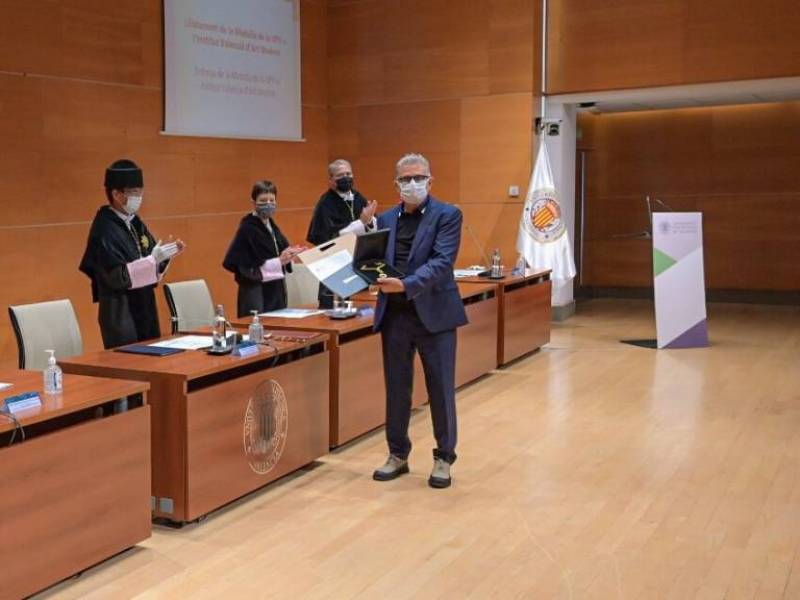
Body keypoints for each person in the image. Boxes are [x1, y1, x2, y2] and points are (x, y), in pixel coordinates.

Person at [371, 153, 468, 489]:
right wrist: (367, 273)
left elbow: (443, 261)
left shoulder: (448, 214)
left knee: (440, 388)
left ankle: (444, 457)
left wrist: (406, 284)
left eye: (418, 177)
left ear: (430, 180)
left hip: (435, 315)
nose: (412, 184)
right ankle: (397, 454)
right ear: (396, 184)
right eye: (405, 179)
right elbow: (373, 262)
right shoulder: (384, 218)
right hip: (395, 314)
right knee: (396, 389)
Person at [79, 159, 185, 349]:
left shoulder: (134, 222)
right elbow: (116, 276)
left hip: (145, 304)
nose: (139, 197)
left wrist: (163, 259)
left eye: (140, 191)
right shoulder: (104, 229)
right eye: (134, 192)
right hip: (121, 311)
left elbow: (151, 259)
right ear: (117, 194)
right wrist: (152, 261)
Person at [223, 180, 306, 318]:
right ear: (253, 202)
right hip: (256, 293)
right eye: (263, 200)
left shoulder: (271, 226)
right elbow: (245, 268)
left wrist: (289, 256)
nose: (268, 204)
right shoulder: (247, 229)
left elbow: (280, 252)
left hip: (275, 290)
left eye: (271, 200)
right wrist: (279, 261)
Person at [306, 159, 378, 308]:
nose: (346, 177)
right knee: (335, 313)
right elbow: (329, 238)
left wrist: (369, 222)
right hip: (335, 265)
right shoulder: (326, 203)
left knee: (361, 311)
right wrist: (361, 223)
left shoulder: (358, 197)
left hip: (357, 263)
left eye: (348, 173)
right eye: (340, 175)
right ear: (331, 181)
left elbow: (371, 226)